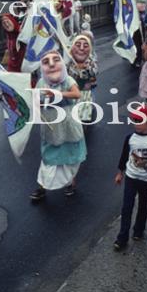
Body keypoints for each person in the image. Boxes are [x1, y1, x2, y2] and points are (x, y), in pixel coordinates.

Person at [30, 50, 86, 201]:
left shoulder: (67, 80)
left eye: (55, 60)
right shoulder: (41, 82)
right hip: (51, 128)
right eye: (46, 62)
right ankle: (42, 187)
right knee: (48, 158)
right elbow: (35, 101)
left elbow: (77, 94)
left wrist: (58, 95)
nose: (52, 64)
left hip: (68, 126)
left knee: (71, 157)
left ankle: (71, 182)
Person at [113, 105, 147, 250]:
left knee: (144, 205)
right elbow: (124, 156)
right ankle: (122, 238)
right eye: (134, 120)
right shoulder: (130, 138)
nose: (136, 123)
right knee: (126, 208)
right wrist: (120, 173)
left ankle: (138, 230)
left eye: (139, 120)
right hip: (131, 177)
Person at [68, 34, 98, 124]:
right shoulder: (70, 61)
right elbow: (68, 74)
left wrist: (84, 69)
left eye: (85, 45)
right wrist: (75, 69)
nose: (81, 48)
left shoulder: (91, 60)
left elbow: (94, 71)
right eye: (77, 45)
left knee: (85, 112)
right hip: (74, 89)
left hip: (87, 89)